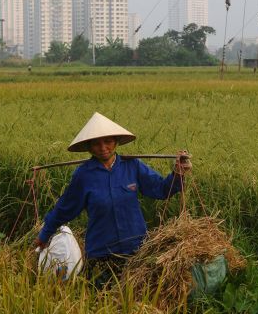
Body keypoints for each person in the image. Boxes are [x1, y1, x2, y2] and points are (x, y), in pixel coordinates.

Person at [34, 112, 192, 288]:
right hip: (102, 254)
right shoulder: (83, 175)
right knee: (105, 305)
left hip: (136, 250)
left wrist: (178, 173)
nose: (103, 147)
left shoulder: (132, 166)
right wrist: (45, 234)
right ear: (89, 147)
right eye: (96, 143)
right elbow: (64, 209)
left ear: (116, 142)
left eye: (108, 141)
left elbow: (161, 189)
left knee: (137, 303)